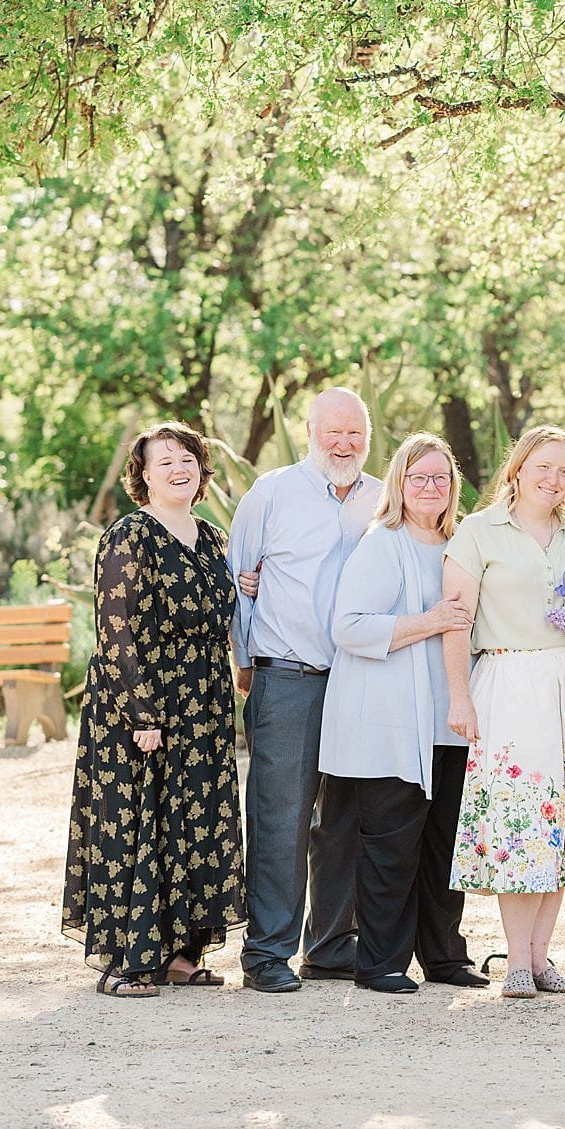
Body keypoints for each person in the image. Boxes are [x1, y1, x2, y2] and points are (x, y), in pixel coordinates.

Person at [63, 423, 245, 996]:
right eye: (162, 461)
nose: (176, 467)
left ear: (201, 467)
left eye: (186, 456)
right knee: (140, 820)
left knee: (196, 820)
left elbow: (221, 610)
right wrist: (143, 715)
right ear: (142, 475)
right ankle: (128, 959)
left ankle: (180, 954)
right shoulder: (128, 537)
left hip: (205, 701)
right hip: (141, 702)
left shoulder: (214, 539)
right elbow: (117, 632)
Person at [445, 424, 565, 999]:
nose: (554, 480)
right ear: (518, 467)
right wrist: (460, 697)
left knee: (562, 828)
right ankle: (516, 962)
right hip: (507, 682)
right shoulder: (478, 531)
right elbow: (456, 621)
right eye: (543, 467)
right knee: (520, 825)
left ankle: (543, 959)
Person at [228, 387, 381, 991]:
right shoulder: (271, 493)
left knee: (344, 819)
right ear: (311, 430)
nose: (344, 444)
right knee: (279, 817)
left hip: (359, 682)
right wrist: (246, 663)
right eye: (333, 432)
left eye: (356, 435)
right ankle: (267, 952)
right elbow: (239, 580)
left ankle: (329, 944)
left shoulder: (380, 497)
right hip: (286, 676)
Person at [320, 434, 485, 993]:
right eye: (419, 478)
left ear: (453, 487)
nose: (431, 488)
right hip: (392, 724)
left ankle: (444, 957)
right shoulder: (382, 544)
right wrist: (430, 620)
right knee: (392, 845)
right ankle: (381, 962)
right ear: (400, 484)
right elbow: (348, 626)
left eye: (441, 478)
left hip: (452, 719)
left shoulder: (461, 544)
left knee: (446, 845)